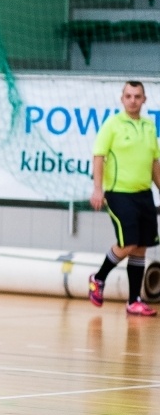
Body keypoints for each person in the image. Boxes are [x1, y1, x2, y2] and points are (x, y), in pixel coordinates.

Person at [88, 80, 160, 316]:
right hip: (119, 193)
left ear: (144, 99)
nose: (133, 100)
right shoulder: (113, 124)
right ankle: (98, 278)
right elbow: (99, 155)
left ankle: (134, 301)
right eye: (128, 96)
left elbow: (154, 162)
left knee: (140, 246)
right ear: (122, 99)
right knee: (128, 243)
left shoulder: (149, 126)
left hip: (143, 194)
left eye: (137, 96)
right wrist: (98, 189)